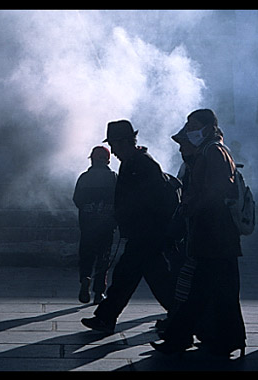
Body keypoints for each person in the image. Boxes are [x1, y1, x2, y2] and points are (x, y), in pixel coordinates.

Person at [151, 109, 246, 357]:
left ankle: (179, 337)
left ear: (207, 127)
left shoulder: (212, 151)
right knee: (219, 290)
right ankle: (228, 338)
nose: (189, 129)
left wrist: (192, 205)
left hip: (214, 233)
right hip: (216, 235)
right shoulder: (211, 150)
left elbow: (219, 189)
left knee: (201, 289)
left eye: (193, 125)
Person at [81, 120, 177, 334]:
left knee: (141, 278)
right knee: (136, 277)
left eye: (114, 145)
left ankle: (184, 318)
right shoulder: (135, 161)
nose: (112, 151)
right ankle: (106, 317)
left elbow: (145, 201)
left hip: (147, 233)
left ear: (125, 142)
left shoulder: (140, 163)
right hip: (143, 233)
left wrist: (123, 217)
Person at [73, 146, 118, 304]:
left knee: (86, 256)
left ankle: (85, 278)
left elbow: (77, 200)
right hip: (106, 227)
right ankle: (99, 292)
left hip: (87, 226)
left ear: (92, 159)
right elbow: (119, 199)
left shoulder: (84, 178)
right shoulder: (113, 177)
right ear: (107, 160)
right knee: (103, 259)